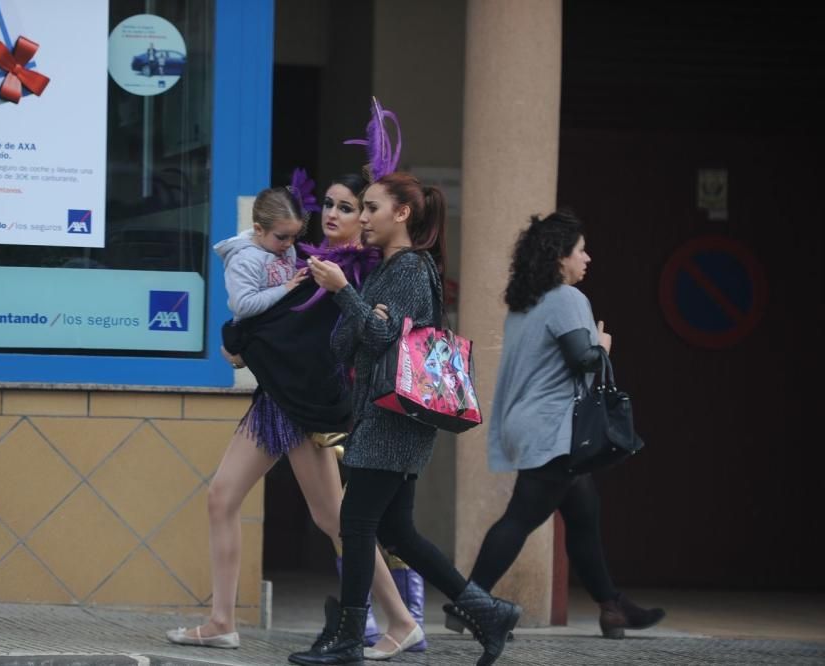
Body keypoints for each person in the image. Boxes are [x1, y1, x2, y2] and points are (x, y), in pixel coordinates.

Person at [166, 174, 421, 656]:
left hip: (305, 406)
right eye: (328, 204)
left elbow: (305, 334)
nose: (334, 214)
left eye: (348, 208)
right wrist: (242, 341)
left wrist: (244, 342)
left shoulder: (357, 273)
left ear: (366, 218)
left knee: (337, 519)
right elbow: (268, 310)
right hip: (278, 401)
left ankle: (402, 618)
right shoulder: (307, 261)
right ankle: (223, 619)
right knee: (227, 498)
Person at [288, 173, 520, 666]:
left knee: (356, 521)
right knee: (397, 531)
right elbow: (347, 343)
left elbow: (378, 337)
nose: (362, 219)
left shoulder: (410, 269)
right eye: (362, 209)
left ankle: (351, 635)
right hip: (384, 412)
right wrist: (349, 303)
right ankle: (489, 612)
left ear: (402, 214)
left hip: (394, 415)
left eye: (371, 209)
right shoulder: (387, 269)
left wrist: (342, 293)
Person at [466, 210, 666, 640]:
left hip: (531, 423)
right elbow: (584, 358)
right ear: (560, 257)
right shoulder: (566, 299)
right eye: (580, 251)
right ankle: (470, 603)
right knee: (521, 517)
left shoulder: (525, 304)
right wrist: (604, 345)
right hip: (552, 427)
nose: (587, 258)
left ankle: (611, 606)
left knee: (583, 514)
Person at [211, 186, 309, 324]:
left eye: (294, 236)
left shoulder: (287, 249)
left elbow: (288, 284)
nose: (289, 243)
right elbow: (243, 305)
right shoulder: (244, 259)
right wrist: (286, 288)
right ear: (258, 229)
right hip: (252, 336)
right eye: (282, 237)